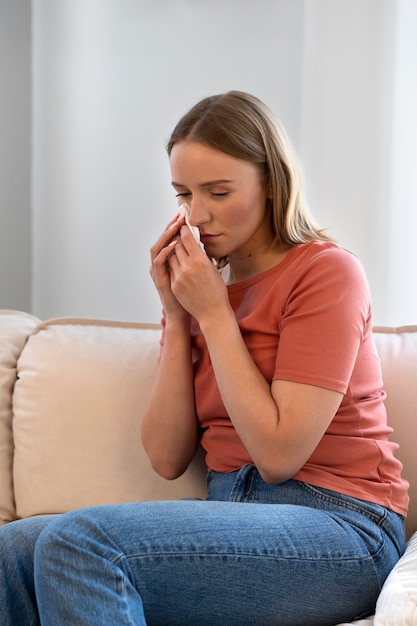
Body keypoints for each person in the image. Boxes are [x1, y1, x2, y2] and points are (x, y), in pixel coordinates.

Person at [0, 90, 409, 625]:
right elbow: (168, 458)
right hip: (234, 515)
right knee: (13, 550)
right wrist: (176, 311)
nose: (197, 215)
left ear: (271, 183)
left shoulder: (326, 273)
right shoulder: (198, 290)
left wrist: (215, 316)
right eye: (183, 194)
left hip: (343, 528)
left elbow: (279, 455)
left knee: (84, 543)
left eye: (219, 192)